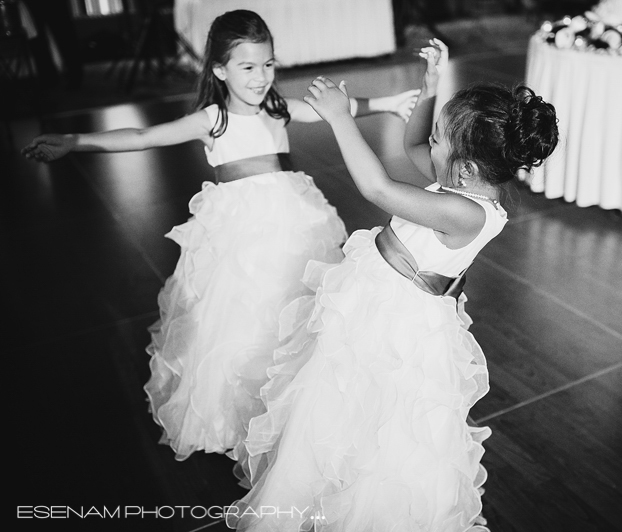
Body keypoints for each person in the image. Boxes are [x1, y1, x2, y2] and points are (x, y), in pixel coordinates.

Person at [21, 9, 419, 462]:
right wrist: (76, 140)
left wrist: (388, 103)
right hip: (242, 234)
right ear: (219, 70)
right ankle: (242, 411)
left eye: (268, 64)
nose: (261, 77)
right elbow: (143, 134)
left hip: (296, 222)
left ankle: (294, 403)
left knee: (297, 306)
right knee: (244, 317)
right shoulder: (213, 119)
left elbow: (336, 110)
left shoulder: (277, 108)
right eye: (248, 67)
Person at [225, 39, 558, 531]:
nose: (431, 145)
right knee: (341, 399)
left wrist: (340, 116)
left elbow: (378, 187)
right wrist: (429, 89)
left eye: (441, 137)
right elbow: (409, 145)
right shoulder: (463, 180)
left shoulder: (467, 211)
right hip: (375, 302)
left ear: (465, 166)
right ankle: (322, 483)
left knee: (386, 417)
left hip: (399, 327)